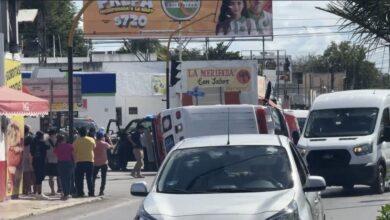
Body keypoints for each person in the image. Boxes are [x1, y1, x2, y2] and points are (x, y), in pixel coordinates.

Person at [73, 127, 96, 197]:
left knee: (79, 179)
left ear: (79, 133)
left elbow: (74, 151)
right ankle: (91, 192)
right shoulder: (91, 139)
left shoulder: (76, 141)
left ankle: (80, 192)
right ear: (86, 133)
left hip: (80, 161)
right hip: (90, 161)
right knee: (90, 178)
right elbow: (94, 147)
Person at [54, 134, 74, 200]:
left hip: (60, 163)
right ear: (64, 139)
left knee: (62, 179)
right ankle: (68, 193)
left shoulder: (57, 147)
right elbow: (73, 154)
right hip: (68, 163)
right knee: (68, 179)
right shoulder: (70, 146)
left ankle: (64, 193)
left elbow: (56, 154)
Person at [93, 131, 113, 196]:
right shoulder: (104, 144)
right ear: (102, 137)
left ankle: (92, 190)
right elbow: (112, 147)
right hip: (104, 162)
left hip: (95, 162)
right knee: (103, 178)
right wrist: (109, 140)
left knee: (93, 177)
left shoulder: (94, 143)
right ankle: (101, 191)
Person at [31, 131, 50, 199]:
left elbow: (31, 152)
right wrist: (46, 140)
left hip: (35, 161)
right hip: (41, 162)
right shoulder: (42, 143)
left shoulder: (33, 142)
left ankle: (35, 192)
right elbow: (48, 147)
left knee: (36, 177)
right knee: (40, 177)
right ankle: (39, 193)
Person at [46, 129, 61, 195]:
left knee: (51, 177)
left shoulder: (46, 141)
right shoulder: (58, 141)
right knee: (59, 176)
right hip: (58, 160)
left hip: (49, 160)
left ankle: (52, 191)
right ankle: (61, 190)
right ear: (55, 134)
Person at [22, 125, 34, 195]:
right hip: (30, 156)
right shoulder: (30, 137)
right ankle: (29, 189)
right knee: (29, 174)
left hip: (22, 157)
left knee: (25, 174)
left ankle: (24, 189)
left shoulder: (20, 137)